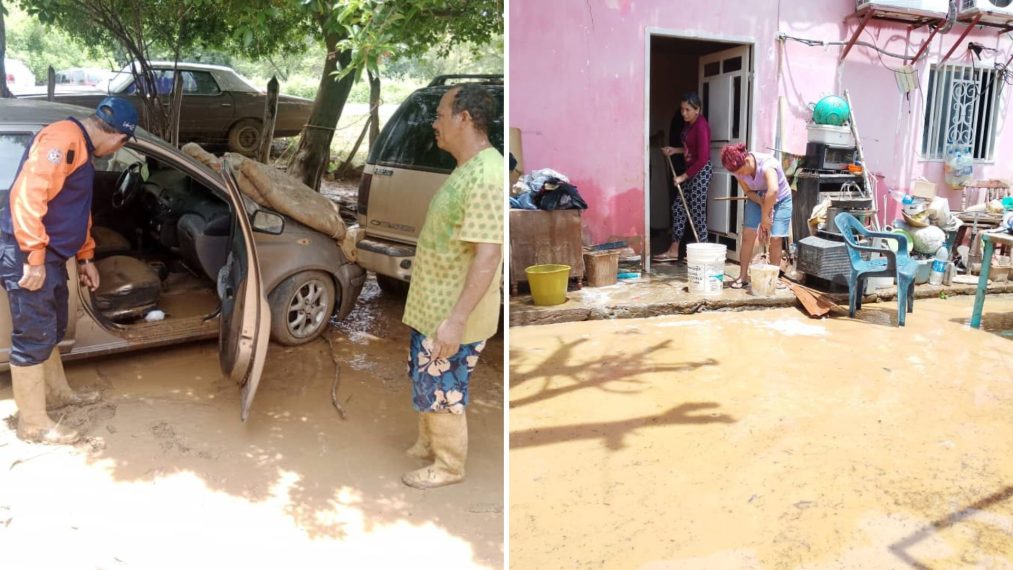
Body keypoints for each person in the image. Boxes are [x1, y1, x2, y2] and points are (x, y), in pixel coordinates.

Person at [2, 96, 137, 444]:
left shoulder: (82, 149)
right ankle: (33, 423)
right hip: (29, 253)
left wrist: (85, 257)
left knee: (53, 326)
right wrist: (32, 256)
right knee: (33, 335)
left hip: (50, 254)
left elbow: (77, 211)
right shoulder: (63, 140)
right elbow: (26, 196)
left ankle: (58, 393)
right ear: (119, 140)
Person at [400, 84, 503, 489]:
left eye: (441, 114)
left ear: (464, 118)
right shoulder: (467, 167)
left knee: (444, 390)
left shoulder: (486, 176)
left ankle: (448, 465)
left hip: (452, 314)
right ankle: (428, 442)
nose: (434, 123)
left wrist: (456, 321)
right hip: (433, 308)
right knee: (426, 379)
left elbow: (488, 255)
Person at [719, 143, 794, 289]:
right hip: (757, 196)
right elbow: (748, 191)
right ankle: (742, 276)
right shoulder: (737, 169)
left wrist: (765, 217)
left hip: (781, 198)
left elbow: (773, 190)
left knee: (776, 238)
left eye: (740, 172)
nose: (739, 175)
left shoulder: (767, 164)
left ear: (747, 160)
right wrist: (762, 203)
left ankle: (774, 278)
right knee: (748, 234)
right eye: (736, 173)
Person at [657, 92, 711, 262]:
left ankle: (704, 252)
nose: (684, 113)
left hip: (700, 172)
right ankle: (674, 249)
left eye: (688, 110)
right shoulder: (689, 125)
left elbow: (702, 158)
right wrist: (674, 150)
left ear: (697, 110)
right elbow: (690, 149)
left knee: (696, 213)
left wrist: (683, 177)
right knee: (678, 208)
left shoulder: (701, 126)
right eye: (682, 109)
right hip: (690, 172)